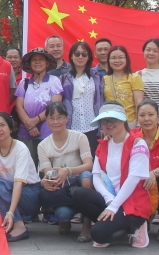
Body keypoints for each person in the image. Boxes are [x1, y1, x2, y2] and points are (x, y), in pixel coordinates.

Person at [70, 102, 151, 248]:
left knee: (98, 235)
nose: (108, 124)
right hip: (111, 199)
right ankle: (110, 222)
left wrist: (114, 206)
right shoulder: (103, 145)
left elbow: (133, 179)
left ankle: (136, 226)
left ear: (124, 119)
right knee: (78, 194)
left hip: (131, 203)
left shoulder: (138, 144)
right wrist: (109, 199)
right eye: (104, 121)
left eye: (113, 119)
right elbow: (96, 175)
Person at [37, 102, 94, 239]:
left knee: (87, 176)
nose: (55, 122)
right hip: (62, 186)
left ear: (66, 118)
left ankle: (87, 224)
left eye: (60, 117)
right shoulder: (42, 146)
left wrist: (68, 171)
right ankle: (68, 215)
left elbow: (89, 165)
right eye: (51, 118)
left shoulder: (80, 137)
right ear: (47, 120)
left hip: (79, 181)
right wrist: (46, 181)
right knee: (62, 213)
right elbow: (49, 173)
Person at [0, 111, 41, 242]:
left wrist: (11, 213)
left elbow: (18, 183)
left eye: (2, 125)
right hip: (10, 193)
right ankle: (6, 222)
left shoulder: (20, 148)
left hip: (30, 194)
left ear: (11, 128)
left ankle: (18, 225)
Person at [132, 100, 159, 246]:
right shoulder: (131, 136)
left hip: (158, 179)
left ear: (158, 116)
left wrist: (152, 173)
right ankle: (141, 220)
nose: (146, 119)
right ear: (137, 118)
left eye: (151, 115)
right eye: (142, 115)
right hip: (137, 180)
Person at [14, 48, 63, 168]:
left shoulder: (54, 81)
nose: (37, 62)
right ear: (30, 63)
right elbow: (19, 106)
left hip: (47, 131)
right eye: (34, 60)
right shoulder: (24, 83)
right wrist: (29, 125)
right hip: (25, 132)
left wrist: (35, 121)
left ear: (47, 63)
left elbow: (55, 105)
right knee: (26, 167)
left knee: (47, 167)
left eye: (41, 59)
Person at [61, 41, 104, 155]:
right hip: (71, 128)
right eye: (77, 54)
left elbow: (101, 103)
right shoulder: (64, 79)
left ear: (89, 57)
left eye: (84, 54)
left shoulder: (97, 78)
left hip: (92, 128)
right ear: (71, 56)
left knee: (93, 160)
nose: (80, 57)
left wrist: (102, 127)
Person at [103, 46, 144, 127]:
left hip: (130, 123)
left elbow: (139, 102)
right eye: (113, 58)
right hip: (110, 123)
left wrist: (139, 124)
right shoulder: (103, 79)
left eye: (121, 57)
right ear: (108, 60)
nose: (117, 61)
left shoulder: (134, 77)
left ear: (126, 59)